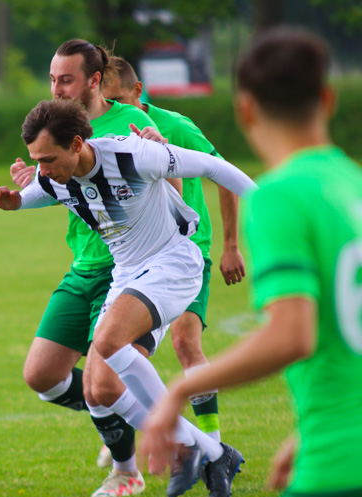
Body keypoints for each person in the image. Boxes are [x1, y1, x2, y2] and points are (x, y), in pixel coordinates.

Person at [141, 28, 362, 497]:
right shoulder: (361, 189)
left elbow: (294, 334)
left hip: (348, 468)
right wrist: (307, 431)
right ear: (328, 100)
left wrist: (183, 387)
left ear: (245, 109)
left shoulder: (278, 195)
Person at [0, 98, 252, 497]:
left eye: (48, 158)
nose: (43, 169)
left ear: (76, 144)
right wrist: (14, 200)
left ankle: (185, 449)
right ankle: (213, 453)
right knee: (101, 390)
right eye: (38, 160)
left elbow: (212, 167)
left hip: (172, 263)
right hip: (127, 275)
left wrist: (271, 208)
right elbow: (39, 190)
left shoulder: (132, 154)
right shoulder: (54, 174)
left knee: (106, 341)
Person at [8, 40, 168, 497]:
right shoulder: (53, 126)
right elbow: (56, 185)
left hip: (129, 269)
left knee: (104, 380)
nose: (57, 87)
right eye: (52, 79)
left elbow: (171, 186)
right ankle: (120, 409)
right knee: (42, 375)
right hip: (83, 264)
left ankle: (126, 470)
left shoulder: (134, 122)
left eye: (67, 79)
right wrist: (26, 188)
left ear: (94, 80)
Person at [102, 56, 247, 444]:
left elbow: (223, 174)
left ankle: (212, 443)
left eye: (119, 99)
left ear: (137, 92)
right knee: (120, 351)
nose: (112, 108)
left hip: (185, 250)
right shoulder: (102, 134)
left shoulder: (174, 127)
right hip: (135, 258)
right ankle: (145, 433)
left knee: (185, 342)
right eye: (105, 100)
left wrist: (231, 245)